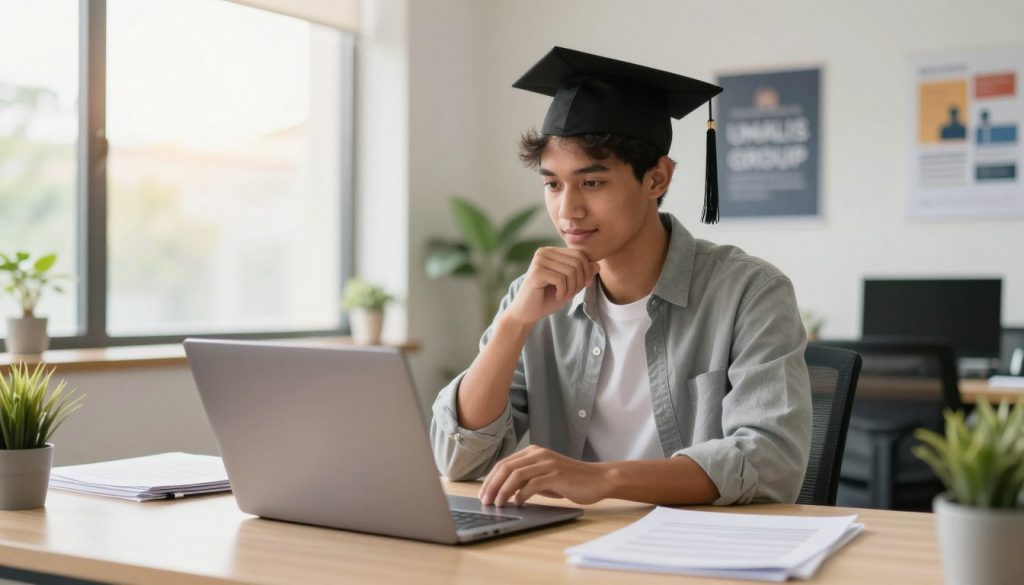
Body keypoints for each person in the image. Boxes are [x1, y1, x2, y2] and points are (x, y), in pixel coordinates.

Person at [430, 47, 811, 508]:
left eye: (592, 183)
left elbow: (770, 462)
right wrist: (513, 324)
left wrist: (604, 478)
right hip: (567, 548)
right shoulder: (532, 296)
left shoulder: (749, 292)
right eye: (553, 184)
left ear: (657, 180)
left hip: (699, 551)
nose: (567, 211)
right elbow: (457, 459)